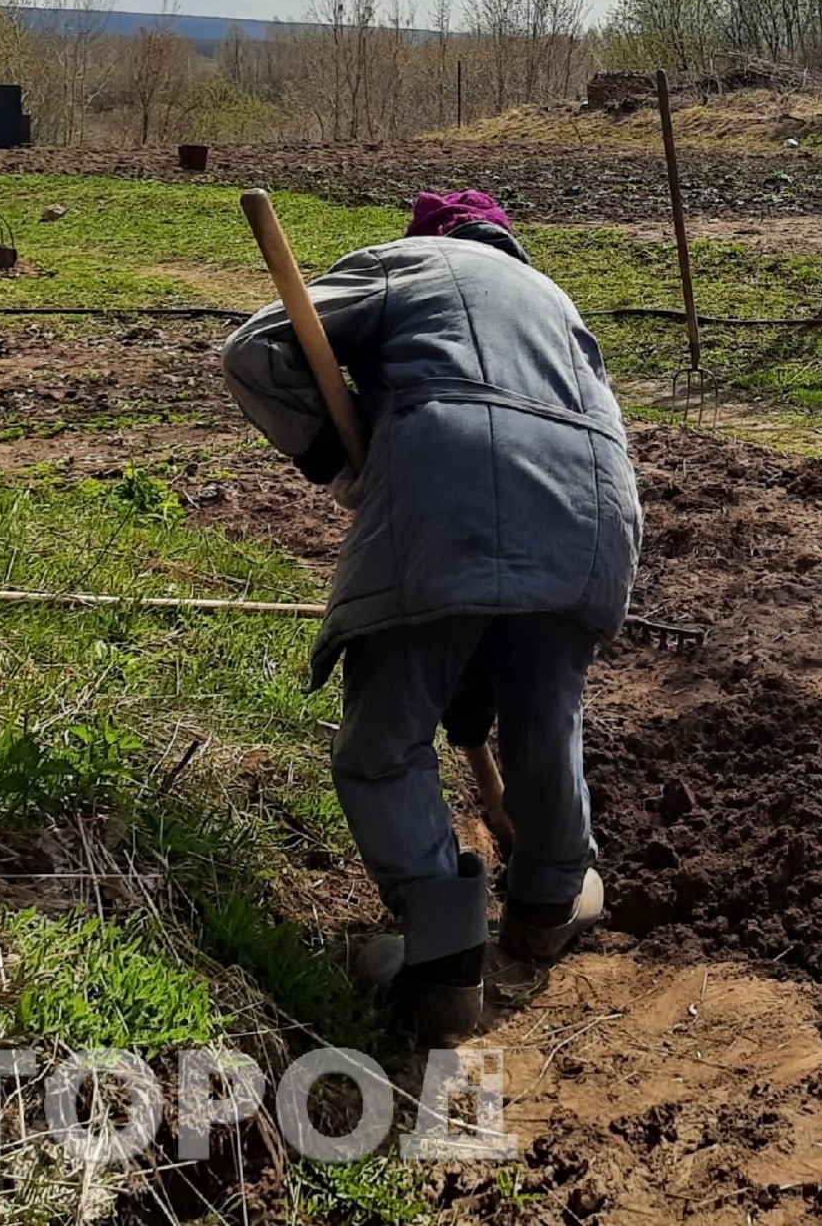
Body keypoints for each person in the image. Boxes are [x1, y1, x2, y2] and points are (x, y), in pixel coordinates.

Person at [222, 189, 642, 1044]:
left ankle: (443, 952)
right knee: (544, 714)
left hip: (451, 490)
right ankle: (551, 900)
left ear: (433, 236)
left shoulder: (410, 262)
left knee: (384, 743)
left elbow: (258, 348)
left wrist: (345, 463)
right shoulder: (559, 303)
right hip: (598, 512)